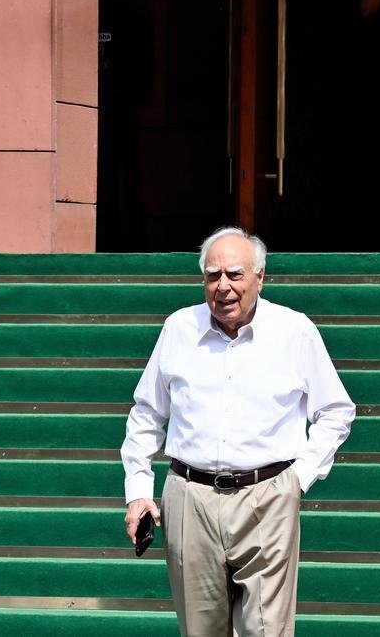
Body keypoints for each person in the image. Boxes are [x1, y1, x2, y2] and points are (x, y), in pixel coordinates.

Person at [121, 226, 356, 636]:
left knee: (266, 629)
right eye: (213, 276)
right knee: (200, 630)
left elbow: (336, 410)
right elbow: (146, 413)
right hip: (190, 497)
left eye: (235, 274)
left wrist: (296, 479)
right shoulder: (179, 328)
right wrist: (138, 490)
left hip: (267, 495)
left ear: (260, 278)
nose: (223, 287)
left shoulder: (294, 330)